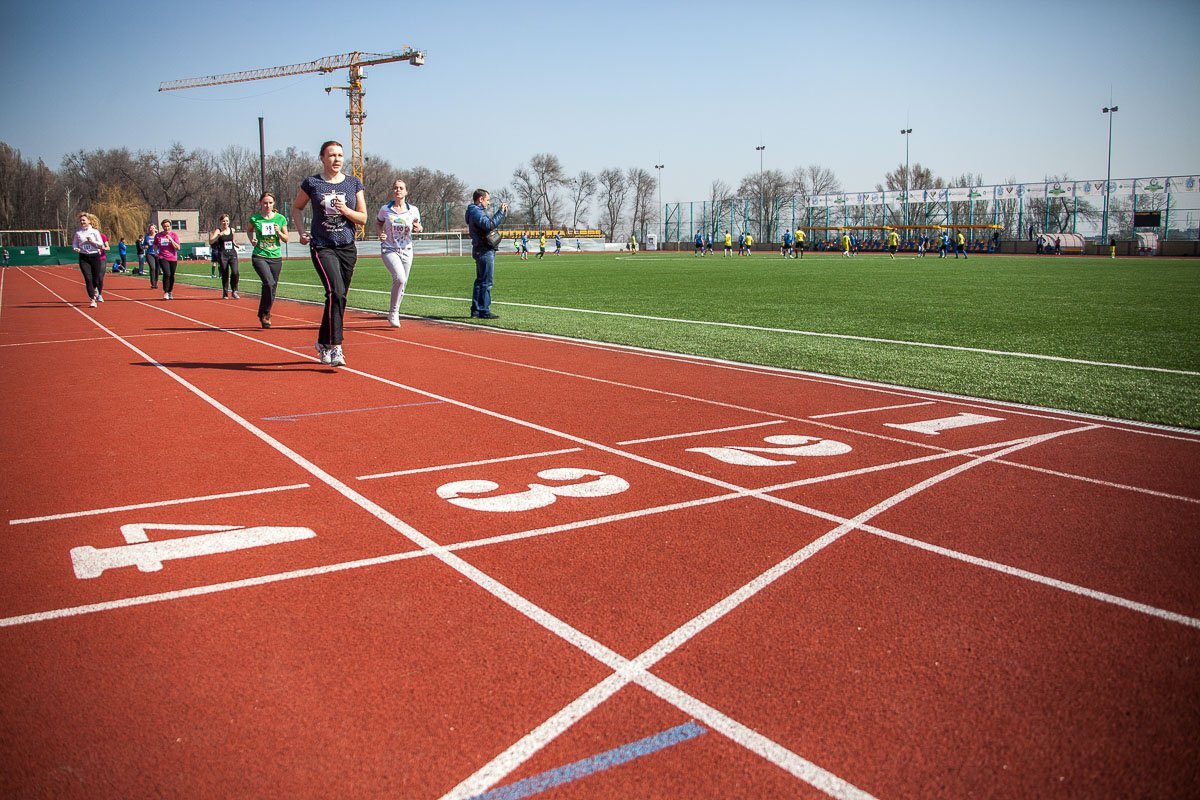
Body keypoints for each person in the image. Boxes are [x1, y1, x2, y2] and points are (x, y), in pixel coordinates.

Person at [292, 139, 367, 368]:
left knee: (339, 295)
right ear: (322, 158)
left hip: (347, 246)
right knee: (335, 290)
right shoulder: (312, 183)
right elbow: (297, 207)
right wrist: (302, 232)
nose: (336, 160)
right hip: (322, 245)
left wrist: (346, 210)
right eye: (332, 155)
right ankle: (336, 347)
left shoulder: (354, 183)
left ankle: (323, 341)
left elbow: (363, 218)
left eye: (340, 156)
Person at [375, 178, 422, 328]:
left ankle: (394, 311)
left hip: (407, 250)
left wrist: (418, 228)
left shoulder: (413, 210)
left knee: (403, 283)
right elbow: (378, 223)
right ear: (392, 191)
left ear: (406, 191)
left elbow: (418, 225)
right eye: (395, 188)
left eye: (401, 188)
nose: (398, 190)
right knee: (400, 279)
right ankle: (394, 312)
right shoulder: (385, 209)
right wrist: (380, 233)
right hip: (389, 248)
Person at [248, 192, 289, 329]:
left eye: (270, 203)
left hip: (275, 257)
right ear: (260, 203)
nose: (267, 205)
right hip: (260, 255)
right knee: (268, 282)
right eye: (265, 203)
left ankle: (264, 312)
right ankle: (265, 313)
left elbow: (286, 238)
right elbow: (249, 230)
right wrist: (252, 239)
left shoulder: (280, 218)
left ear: (274, 204)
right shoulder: (255, 218)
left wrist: (279, 232)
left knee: (273, 288)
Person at [465, 188, 508, 319]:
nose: (488, 203)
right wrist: (500, 213)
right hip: (484, 249)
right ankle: (484, 310)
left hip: (481, 248)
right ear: (481, 199)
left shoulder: (474, 211)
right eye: (487, 200)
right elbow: (489, 225)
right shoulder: (476, 212)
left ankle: (476, 310)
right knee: (486, 281)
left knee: (480, 281)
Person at [72, 212, 106, 307]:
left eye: (84, 220)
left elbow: (101, 245)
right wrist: (76, 248)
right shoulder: (78, 233)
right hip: (84, 257)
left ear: (89, 221)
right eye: (81, 220)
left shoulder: (95, 232)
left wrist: (92, 241)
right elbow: (74, 244)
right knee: (88, 278)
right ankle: (92, 300)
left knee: (96, 279)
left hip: (95, 256)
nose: (82, 222)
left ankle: (95, 288)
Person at [209, 214, 240, 299]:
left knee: (235, 272)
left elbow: (232, 240)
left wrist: (235, 244)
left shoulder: (232, 230)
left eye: (227, 221)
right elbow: (211, 241)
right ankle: (225, 292)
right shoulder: (218, 231)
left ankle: (235, 291)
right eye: (223, 221)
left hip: (232, 254)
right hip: (223, 254)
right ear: (220, 222)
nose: (225, 223)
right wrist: (218, 236)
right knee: (225, 273)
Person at [154, 219, 181, 298]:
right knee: (167, 273)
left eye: (168, 226)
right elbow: (155, 244)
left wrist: (171, 240)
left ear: (170, 226)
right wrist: (156, 252)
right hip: (162, 257)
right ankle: (166, 291)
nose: (166, 228)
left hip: (172, 258)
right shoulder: (158, 235)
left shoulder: (174, 235)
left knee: (172, 275)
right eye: (165, 226)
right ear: (162, 227)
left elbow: (178, 247)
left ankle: (170, 291)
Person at [144, 224, 160, 288]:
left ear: (155, 229)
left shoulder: (158, 236)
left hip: (157, 253)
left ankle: (155, 282)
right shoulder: (146, 236)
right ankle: (153, 283)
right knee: (152, 268)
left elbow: (161, 244)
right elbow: (143, 245)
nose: (151, 230)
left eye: (152, 228)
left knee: (157, 269)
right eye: (150, 228)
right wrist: (145, 246)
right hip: (149, 253)